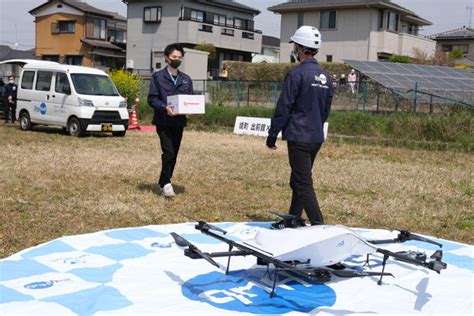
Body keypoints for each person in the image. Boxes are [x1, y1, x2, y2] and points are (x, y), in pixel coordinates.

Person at [266, 26, 333, 229]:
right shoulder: (326, 77)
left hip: (298, 136)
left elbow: (284, 107)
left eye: (295, 45)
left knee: (303, 183)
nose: (294, 49)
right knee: (298, 179)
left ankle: (318, 225)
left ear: (300, 48)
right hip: (315, 136)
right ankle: (293, 218)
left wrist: (272, 134)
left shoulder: (296, 74)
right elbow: (325, 110)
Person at [148, 43, 193, 198]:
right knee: (168, 151)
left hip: (179, 122)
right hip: (163, 121)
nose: (177, 59)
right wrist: (164, 107)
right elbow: (152, 99)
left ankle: (163, 181)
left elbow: (189, 99)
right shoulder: (158, 77)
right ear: (167, 58)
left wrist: (193, 108)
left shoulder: (186, 79)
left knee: (174, 153)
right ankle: (167, 184)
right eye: (174, 57)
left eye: (180, 57)